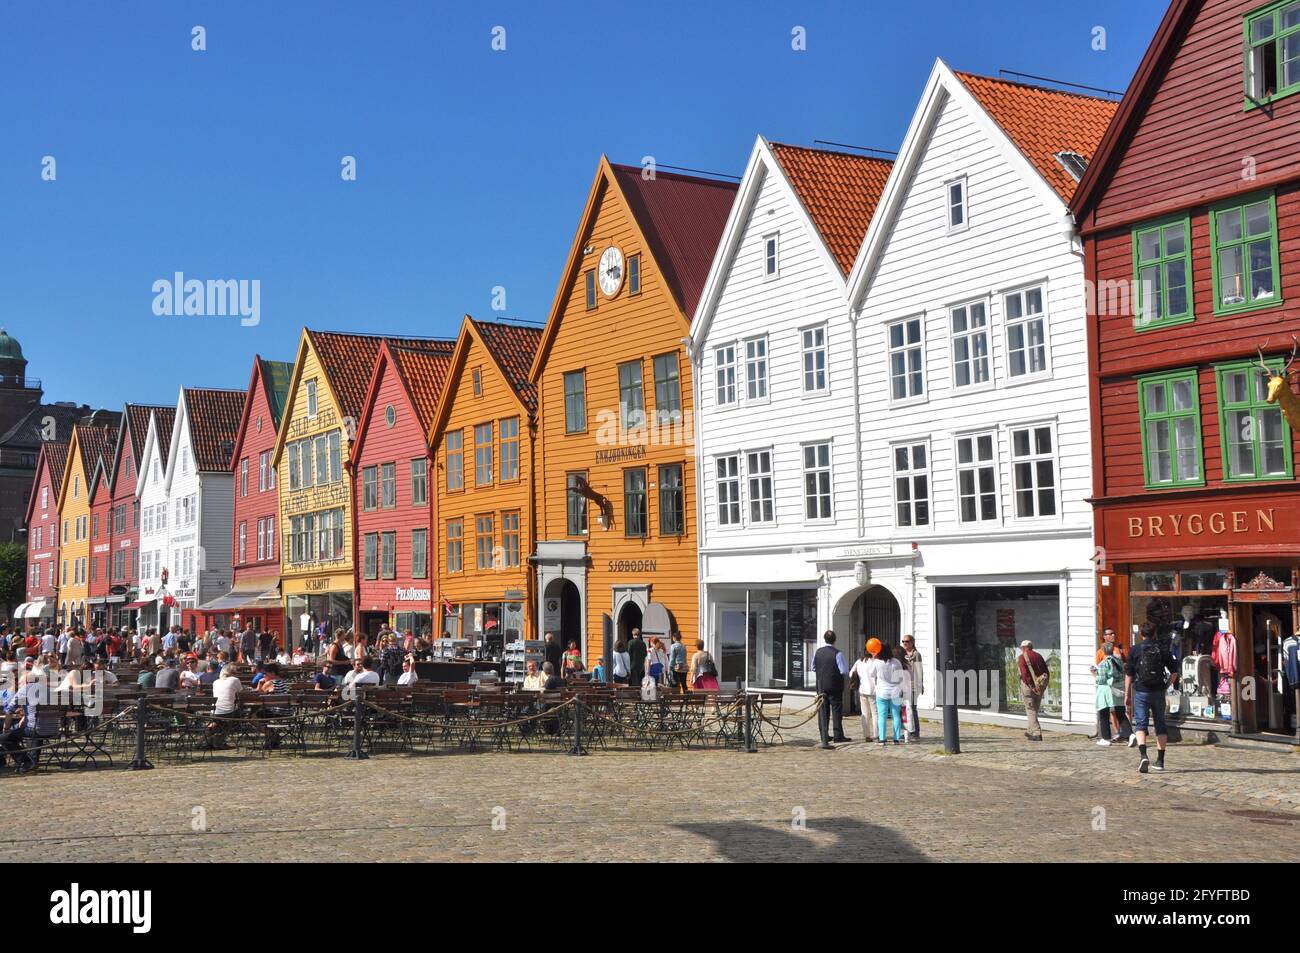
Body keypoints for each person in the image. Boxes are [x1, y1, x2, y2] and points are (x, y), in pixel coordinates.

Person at [1125, 622, 1178, 774]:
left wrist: (1127, 694)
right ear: (1154, 633)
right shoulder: (1162, 649)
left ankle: (1143, 755)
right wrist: (1166, 686)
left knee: (1141, 724)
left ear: (1141, 634)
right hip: (1158, 691)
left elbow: (1129, 674)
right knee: (1160, 724)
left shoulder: (1135, 650)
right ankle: (1160, 761)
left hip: (1141, 691)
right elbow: (1174, 672)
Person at [812, 630, 850, 749]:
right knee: (836, 710)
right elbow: (844, 670)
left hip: (821, 685)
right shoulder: (837, 653)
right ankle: (838, 735)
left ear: (824, 639)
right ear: (835, 640)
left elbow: (813, 667)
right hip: (834, 685)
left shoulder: (818, 652)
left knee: (823, 711)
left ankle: (824, 734)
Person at [869, 646, 905, 745]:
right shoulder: (896, 662)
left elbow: (871, 674)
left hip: (882, 692)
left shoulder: (877, 662)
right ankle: (896, 738)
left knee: (882, 716)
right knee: (896, 715)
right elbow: (901, 676)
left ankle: (882, 739)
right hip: (895, 692)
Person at [1093, 643, 1125, 746]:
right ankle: (1128, 734)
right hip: (1118, 689)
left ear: (1103, 651)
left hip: (1105, 690)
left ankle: (1106, 738)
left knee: (1103, 713)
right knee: (1120, 712)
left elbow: (1101, 679)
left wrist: (1094, 674)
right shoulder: (1118, 661)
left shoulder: (1104, 663)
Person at [1017, 640, 1049, 741]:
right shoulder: (1039, 656)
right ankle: (1030, 731)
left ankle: (1036, 732)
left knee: (1031, 710)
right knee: (1034, 709)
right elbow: (1046, 672)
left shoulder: (1022, 657)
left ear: (1023, 648)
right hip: (1040, 686)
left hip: (1029, 687)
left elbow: (1024, 674)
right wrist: (1043, 685)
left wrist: (1031, 686)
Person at [850, 642, 878, 743]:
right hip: (874, 690)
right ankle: (876, 734)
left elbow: (851, 673)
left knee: (865, 713)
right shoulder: (875, 661)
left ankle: (866, 735)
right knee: (875, 714)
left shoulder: (859, 661)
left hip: (862, 690)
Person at [900, 635, 923, 740]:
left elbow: (919, 670)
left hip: (913, 685)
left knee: (913, 709)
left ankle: (915, 732)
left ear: (912, 642)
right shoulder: (901, 654)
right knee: (903, 709)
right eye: (903, 641)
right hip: (903, 685)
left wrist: (920, 684)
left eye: (907, 641)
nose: (905, 643)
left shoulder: (916, 655)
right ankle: (905, 730)